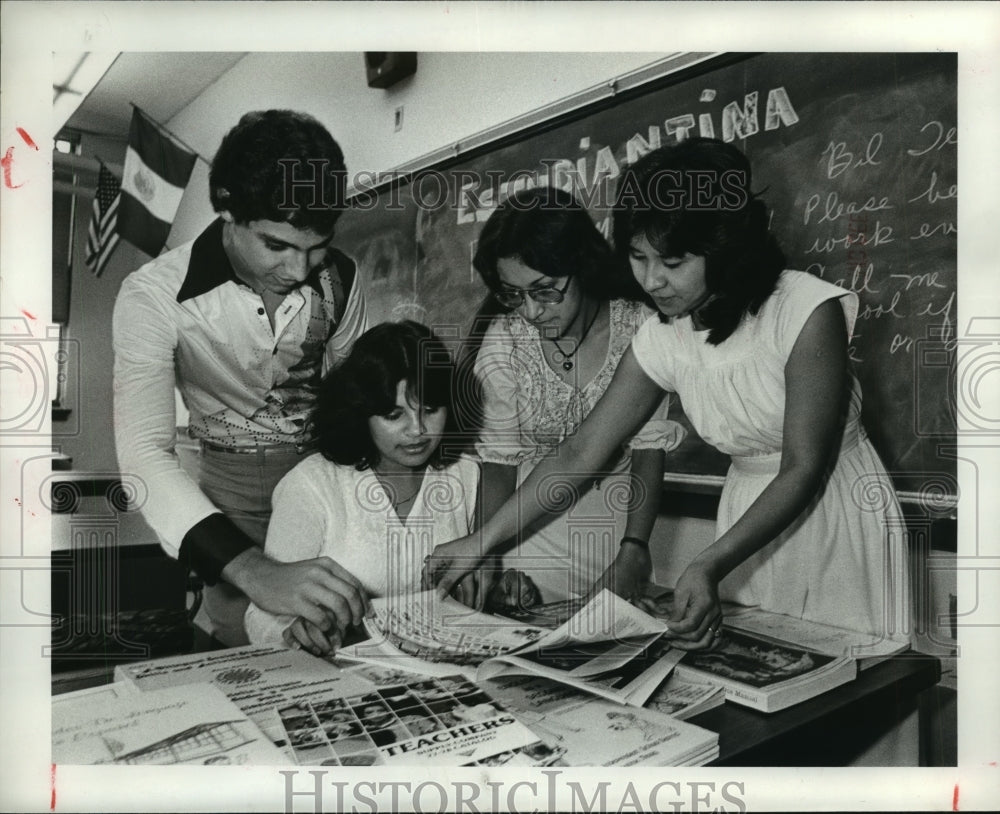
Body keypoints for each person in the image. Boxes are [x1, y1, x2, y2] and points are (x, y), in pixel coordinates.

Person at [427, 138, 910, 649]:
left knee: (855, 677)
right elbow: (579, 451)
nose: (651, 279)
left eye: (673, 262)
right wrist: (480, 542)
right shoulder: (666, 333)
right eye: (637, 257)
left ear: (722, 246)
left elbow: (803, 466)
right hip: (743, 519)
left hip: (835, 512)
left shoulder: (806, 310)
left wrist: (708, 561)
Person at [113, 110, 369, 646]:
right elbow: (143, 454)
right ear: (227, 208)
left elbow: (351, 400)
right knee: (240, 644)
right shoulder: (153, 295)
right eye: (277, 245)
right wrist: (254, 571)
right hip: (227, 494)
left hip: (322, 480)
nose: (299, 270)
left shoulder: (342, 277)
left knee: (337, 642)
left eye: (315, 245)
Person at [465, 186, 683, 603]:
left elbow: (648, 451)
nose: (530, 311)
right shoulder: (505, 341)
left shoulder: (640, 328)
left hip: (617, 540)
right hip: (524, 538)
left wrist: (634, 548)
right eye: (514, 294)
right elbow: (498, 465)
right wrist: (487, 553)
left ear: (581, 265)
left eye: (545, 290)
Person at [244, 321, 480, 653]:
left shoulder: (466, 475)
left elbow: (476, 584)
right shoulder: (312, 485)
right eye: (394, 415)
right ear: (361, 412)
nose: (417, 430)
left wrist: (501, 587)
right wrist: (294, 631)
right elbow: (261, 617)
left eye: (430, 410)